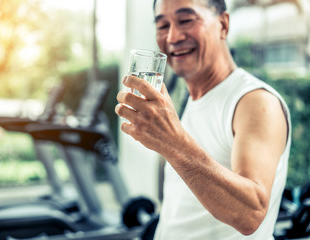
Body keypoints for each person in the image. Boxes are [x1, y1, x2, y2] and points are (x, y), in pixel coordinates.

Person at [115, 0, 291, 239]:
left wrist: (172, 142)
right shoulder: (194, 99)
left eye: (186, 20)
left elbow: (251, 213)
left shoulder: (255, 101)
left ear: (223, 25)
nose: (173, 36)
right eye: (162, 25)